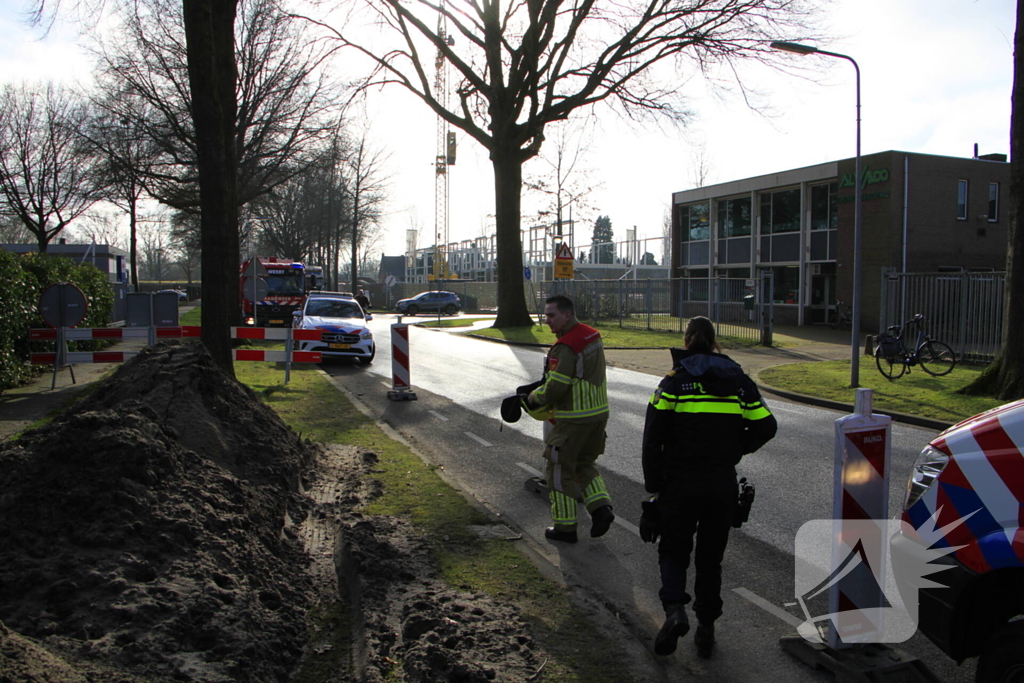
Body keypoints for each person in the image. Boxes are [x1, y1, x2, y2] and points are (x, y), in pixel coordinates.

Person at [641, 316, 777, 658]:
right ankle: (706, 629)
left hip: (679, 483)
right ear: (715, 342)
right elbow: (766, 426)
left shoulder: (674, 382)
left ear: (687, 341)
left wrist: (654, 485)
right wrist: (735, 448)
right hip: (720, 484)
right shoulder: (740, 382)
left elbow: (652, 438)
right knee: (710, 559)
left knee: (673, 551)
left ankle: (674, 612)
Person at [526, 295, 615, 543]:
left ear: (567, 315)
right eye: (546, 316)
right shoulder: (592, 336)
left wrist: (534, 397)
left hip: (573, 419)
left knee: (557, 469)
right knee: (584, 464)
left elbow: (556, 388)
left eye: (552, 316)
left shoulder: (566, 346)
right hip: (598, 415)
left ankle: (565, 529)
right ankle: (601, 509)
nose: (548, 321)